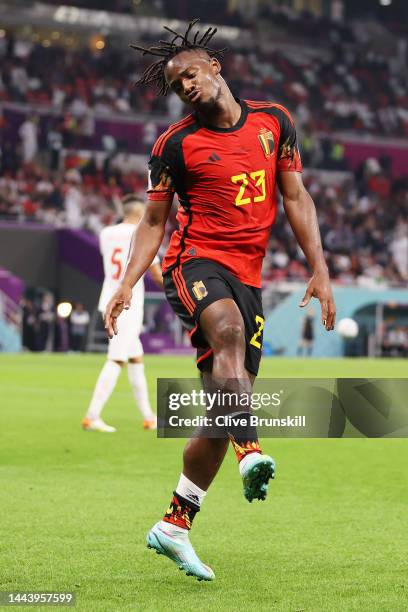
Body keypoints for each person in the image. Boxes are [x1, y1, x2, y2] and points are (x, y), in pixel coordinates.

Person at [104, 20, 336, 581]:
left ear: (215, 67)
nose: (184, 85)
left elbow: (296, 197)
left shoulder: (275, 121)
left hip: (249, 276)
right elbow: (154, 222)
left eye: (189, 73)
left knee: (220, 406)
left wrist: (320, 267)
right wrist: (129, 281)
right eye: (174, 82)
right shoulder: (174, 145)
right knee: (228, 334)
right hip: (193, 263)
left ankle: (175, 525)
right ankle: (251, 449)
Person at [82, 194, 163, 433]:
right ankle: (92, 415)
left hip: (108, 297)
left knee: (136, 359)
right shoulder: (143, 234)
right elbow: (156, 274)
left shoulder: (106, 234)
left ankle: (149, 416)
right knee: (117, 359)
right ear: (141, 214)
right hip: (128, 303)